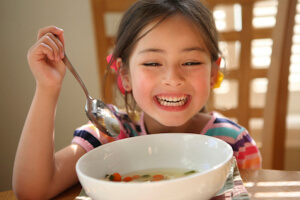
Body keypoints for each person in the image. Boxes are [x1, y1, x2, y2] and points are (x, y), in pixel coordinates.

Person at [13, 0, 261, 199]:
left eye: (191, 62)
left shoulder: (233, 143)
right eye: (152, 62)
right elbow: (33, 190)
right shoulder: (109, 136)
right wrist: (48, 87)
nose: (172, 78)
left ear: (213, 73)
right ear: (125, 75)